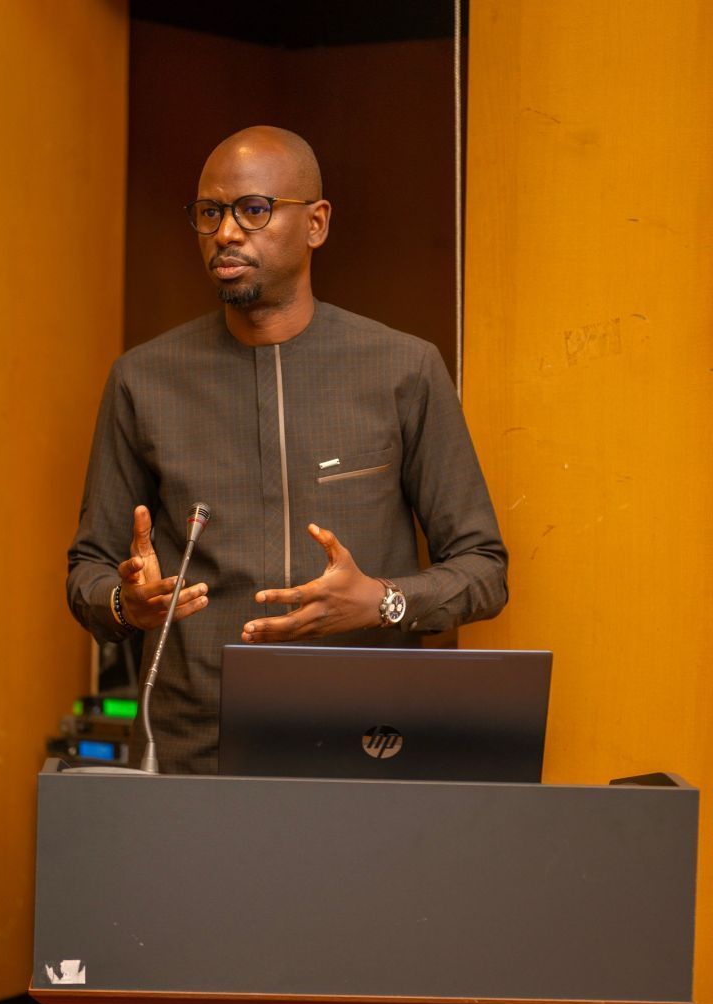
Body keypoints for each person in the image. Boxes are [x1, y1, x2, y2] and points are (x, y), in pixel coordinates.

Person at [67, 125, 508, 774]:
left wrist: (383, 600)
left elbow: (484, 567)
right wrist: (123, 603)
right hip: (195, 757)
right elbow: (89, 568)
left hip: (369, 747)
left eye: (253, 209)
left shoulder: (402, 370)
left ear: (317, 223)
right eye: (210, 213)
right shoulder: (145, 379)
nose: (225, 233)